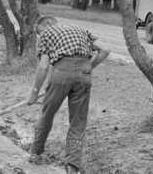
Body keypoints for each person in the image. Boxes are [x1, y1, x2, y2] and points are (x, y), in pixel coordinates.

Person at [26, 16, 110, 174]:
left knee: (47, 114)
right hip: (84, 74)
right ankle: (72, 167)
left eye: (39, 33)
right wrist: (89, 67)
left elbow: (43, 66)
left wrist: (34, 93)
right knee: (78, 121)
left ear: (45, 26)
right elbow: (105, 50)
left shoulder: (47, 33)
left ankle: (36, 154)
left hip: (61, 74)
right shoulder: (81, 30)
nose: (39, 36)